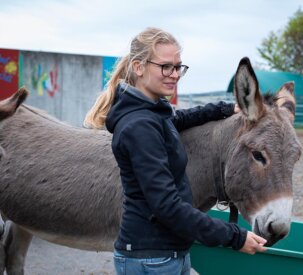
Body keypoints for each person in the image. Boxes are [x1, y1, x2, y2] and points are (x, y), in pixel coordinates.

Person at [84, 27, 267, 275]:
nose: (174, 74)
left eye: (178, 66)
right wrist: (234, 236)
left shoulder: (153, 112)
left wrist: (225, 109)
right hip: (150, 258)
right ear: (138, 67)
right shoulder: (139, 126)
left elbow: (178, 119)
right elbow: (166, 205)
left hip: (166, 253)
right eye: (166, 67)